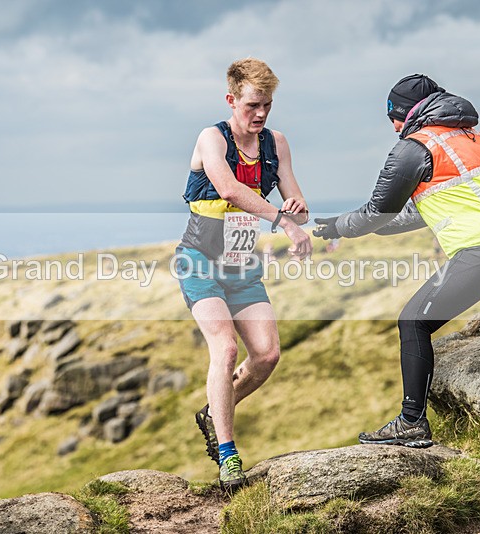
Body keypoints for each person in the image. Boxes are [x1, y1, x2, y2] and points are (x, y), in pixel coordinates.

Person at [313, 74, 480, 484]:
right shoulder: (472, 139)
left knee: (413, 322)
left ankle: (410, 422)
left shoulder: (414, 147)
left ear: (409, 113)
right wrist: (358, 229)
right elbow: (420, 210)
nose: (392, 125)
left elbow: (375, 211)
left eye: (393, 115)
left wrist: (337, 226)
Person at [177, 58, 312, 492]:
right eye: (253, 105)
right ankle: (228, 455)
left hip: (241, 265)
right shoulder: (211, 138)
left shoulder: (277, 143)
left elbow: (299, 206)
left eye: (267, 106)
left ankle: (214, 410)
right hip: (199, 261)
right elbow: (229, 189)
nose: (260, 115)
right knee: (226, 348)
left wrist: (295, 213)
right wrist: (282, 220)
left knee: (268, 356)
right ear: (231, 99)